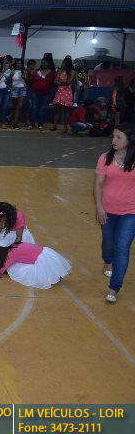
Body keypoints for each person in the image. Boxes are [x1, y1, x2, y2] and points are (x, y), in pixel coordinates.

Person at [94, 124, 135, 303]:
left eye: (119, 137)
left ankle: (114, 287)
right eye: (113, 136)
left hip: (131, 211)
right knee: (108, 244)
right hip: (108, 210)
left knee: (122, 247)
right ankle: (107, 260)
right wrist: (99, 207)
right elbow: (98, 184)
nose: (114, 140)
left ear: (129, 140)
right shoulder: (105, 158)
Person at [0, 243, 71, 289]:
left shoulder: (11, 255)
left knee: (14, 269)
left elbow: (3, 269)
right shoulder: (14, 245)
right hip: (46, 254)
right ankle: (55, 276)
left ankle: (51, 278)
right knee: (49, 267)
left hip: (41, 261)